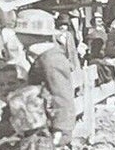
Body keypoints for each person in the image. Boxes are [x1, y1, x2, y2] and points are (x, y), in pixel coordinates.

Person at [15, 8, 76, 142]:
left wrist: (61, 129)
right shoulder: (45, 56)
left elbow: (62, 95)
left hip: (49, 127)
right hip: (41, 120)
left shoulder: (51, 60)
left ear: (30, 35)